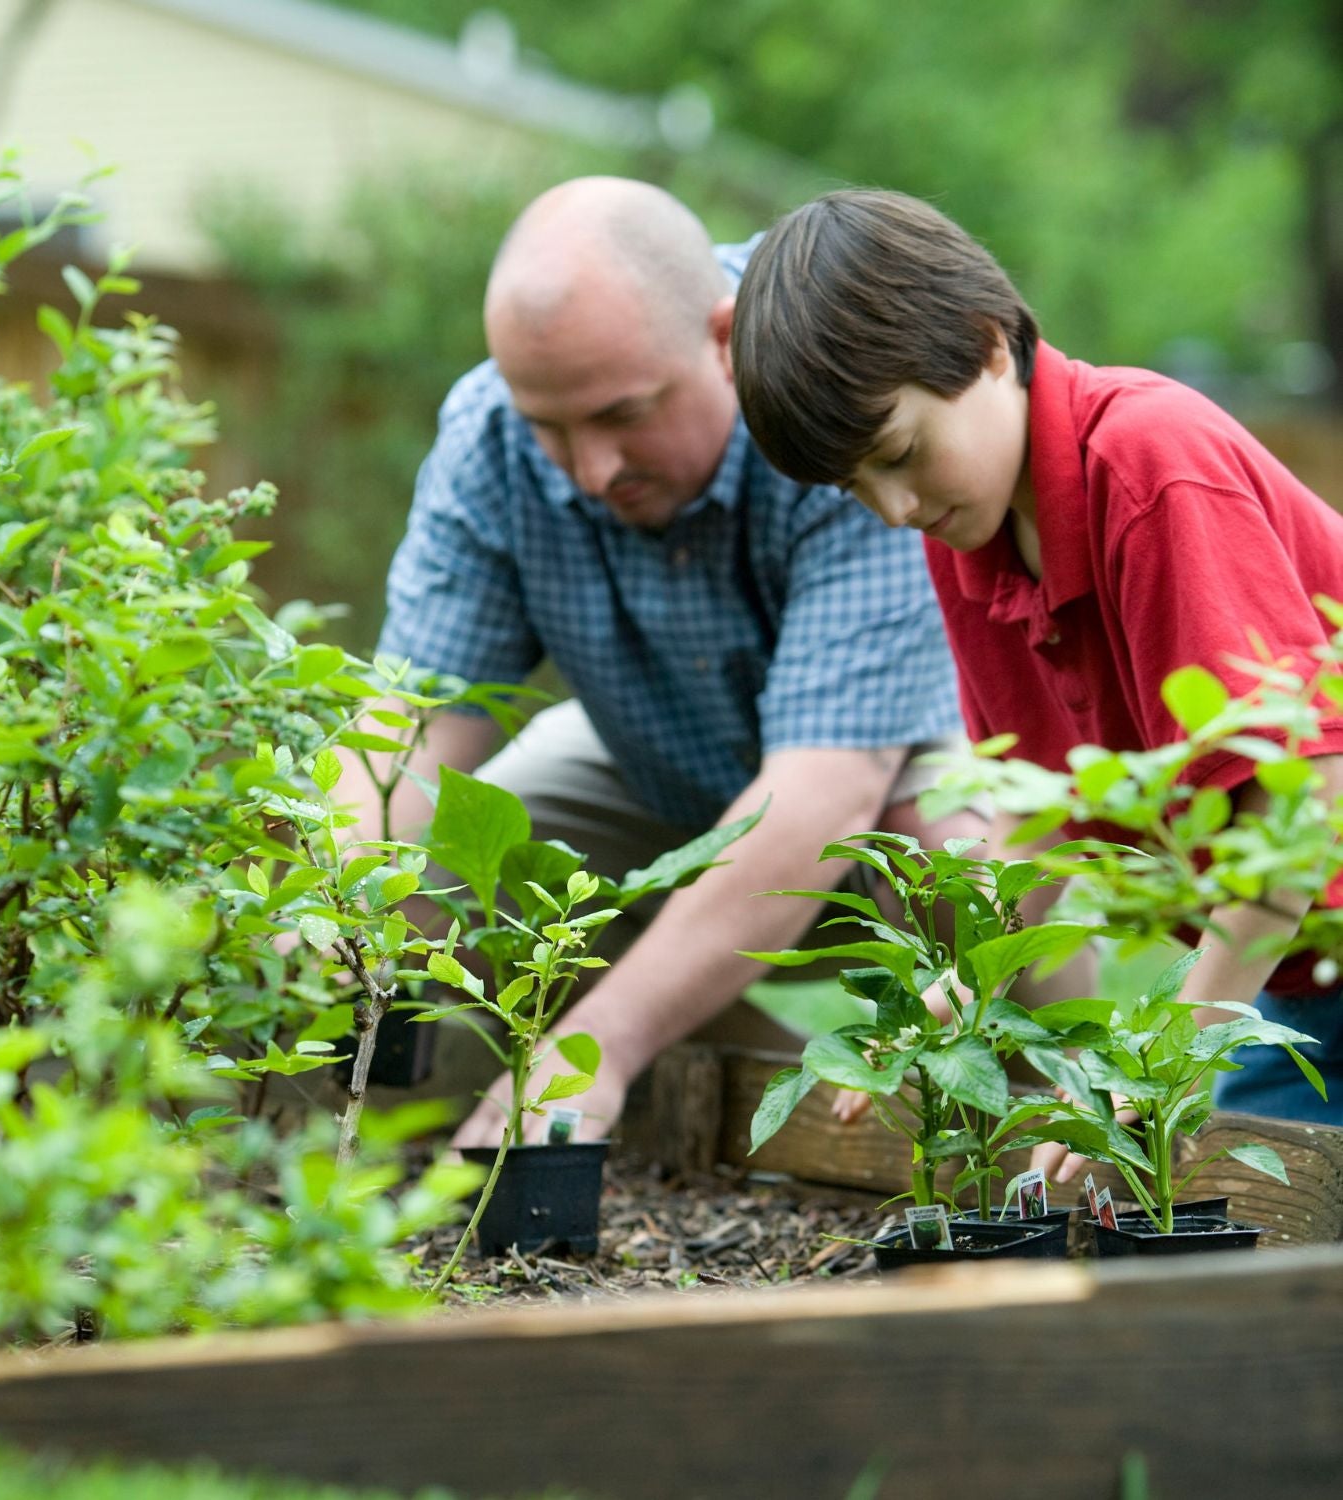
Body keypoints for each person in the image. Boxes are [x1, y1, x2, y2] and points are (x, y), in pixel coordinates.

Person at [329, 177, 973, 1149]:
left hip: (887, 772)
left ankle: (1037, 1123)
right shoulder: (491, 438)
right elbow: (406, 729)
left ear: (722, 337)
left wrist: (598, 1045)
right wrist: (329, 900)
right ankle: (769, 1105)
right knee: (458, 867)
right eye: (553, 428)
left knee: (971, 862)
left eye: (623, 415)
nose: (590, 469)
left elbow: (823, 794)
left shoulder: (832, 383)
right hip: (654, 768)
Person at [730, 186, 1343, 1147]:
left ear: (987, 344)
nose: (891, 508)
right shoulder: (966, 536)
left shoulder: (1148, 466)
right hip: (1302, 976)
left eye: (898, 453)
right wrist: (940, 1004)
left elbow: (1304, 800)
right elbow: (1037, 810)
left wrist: (1163, 1064)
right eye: (854, 488)